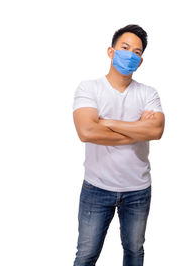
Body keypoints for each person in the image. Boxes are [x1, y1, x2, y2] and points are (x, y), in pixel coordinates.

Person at [72, 24, 165, 266]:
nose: (130, 54)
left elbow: (156, 130)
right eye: (125, 48)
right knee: (86, 255)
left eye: (137, 52)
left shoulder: (148, 94)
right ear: (111, 52)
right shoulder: (89, 88)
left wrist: (108, 122)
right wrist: (137, 130)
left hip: (138, 190)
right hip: (97, 187)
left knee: (134, 252)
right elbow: (86, 131)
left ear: (141, 61)